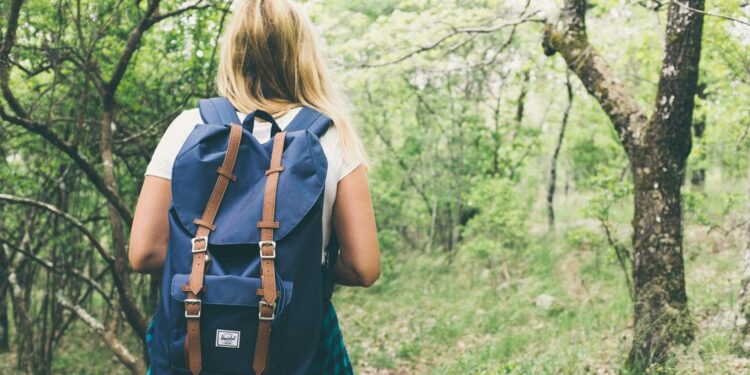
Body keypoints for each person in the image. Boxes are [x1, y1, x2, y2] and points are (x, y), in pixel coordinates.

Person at [128, 0, 380, 372]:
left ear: (234, 51)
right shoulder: (333, 136)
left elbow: (144, 253)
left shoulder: (187, 128)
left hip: (196, 339)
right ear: (302, 54)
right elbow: (363, 267)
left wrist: (219, 269)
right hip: (293, 343)